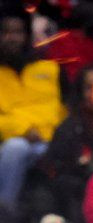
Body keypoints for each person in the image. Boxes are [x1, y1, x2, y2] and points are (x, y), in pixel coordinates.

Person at [24, 64, 93, 223]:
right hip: (75, 201)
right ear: (80, 93)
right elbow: (57, 177)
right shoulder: (67, 130)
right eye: (89, 87)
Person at [0, 6, 66, 209]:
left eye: (18, 32)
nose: (11, 38)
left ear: (27, 36)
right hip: (9, 143)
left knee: (56, 152)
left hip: (50, 140)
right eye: (5, 32)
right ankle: (5, 211)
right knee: (16, 147)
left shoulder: (50, 68)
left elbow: (66, 109)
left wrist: (51, 134)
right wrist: (24, 131)